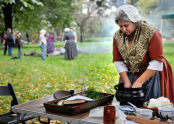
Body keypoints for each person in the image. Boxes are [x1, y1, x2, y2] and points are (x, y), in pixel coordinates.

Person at [113, 5, 174, 102]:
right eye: (120, 26)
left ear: (135, 21)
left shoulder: (151, 33)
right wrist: (126, 81)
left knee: (151, 105)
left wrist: (139, 82)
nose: (123, 29)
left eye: (126, 25)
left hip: (152, 72)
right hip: (131, 73)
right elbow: (118, 60)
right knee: (129, 105)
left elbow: (156, 62)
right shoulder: (118, 36)